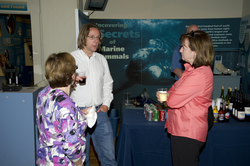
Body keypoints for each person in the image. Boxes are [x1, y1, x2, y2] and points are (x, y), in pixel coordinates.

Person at [157, 30, 214, 166]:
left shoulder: (199, 74)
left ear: (195, 51)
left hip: (188, 131)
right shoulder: (191, 70)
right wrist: (171, 95)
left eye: (184, 47)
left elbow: (173, 100)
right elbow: (173, 89)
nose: (180, 50)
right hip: (183, 129)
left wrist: (168, 97)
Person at [70, 23, 117, 166]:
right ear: (83, 38)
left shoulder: (101, 59)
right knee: (82, 159)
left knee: (109, 156)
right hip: (77, 113)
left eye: (98, 38)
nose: (96, 41)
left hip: (99, 113)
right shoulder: (71, 59)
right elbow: (62, 87)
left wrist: (105, 105)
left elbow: (108, 83)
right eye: (92, 37)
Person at [36, 52, 88, 166]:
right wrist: (79, 164)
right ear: (72, 75)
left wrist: (78, 114)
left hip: (45, 159)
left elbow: (53, 120)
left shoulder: (43, 94)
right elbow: (71, 147)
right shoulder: (67, 106)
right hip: (62, 162)